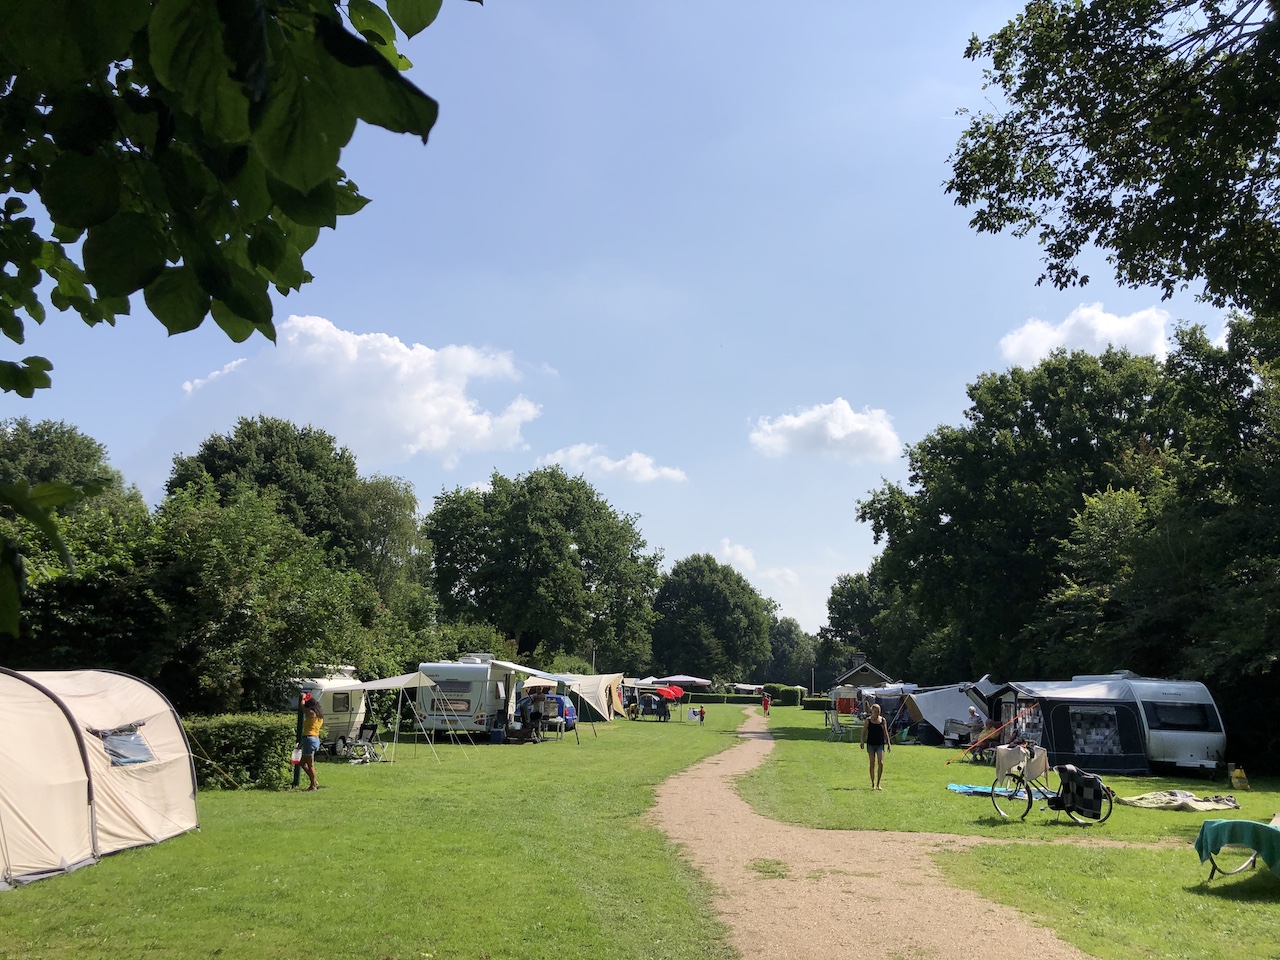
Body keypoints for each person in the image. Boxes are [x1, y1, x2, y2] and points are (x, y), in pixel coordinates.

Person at [859, 701, 890, 789]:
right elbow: (863, 732)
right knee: (872, 764)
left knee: (881, 763)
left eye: (878, 711)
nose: (877, 713)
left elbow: (886, 732)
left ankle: (878, 783)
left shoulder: (882, 720)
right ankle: (873, 783)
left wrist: (888, 743)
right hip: (871, 744)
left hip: (880, 744)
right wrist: (861, 741)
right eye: (875, 711)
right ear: (872, 711)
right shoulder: (868, 720)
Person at [300, 694, 324, 791]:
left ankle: (313, 785)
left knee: (310, 765)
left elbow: (302, 707)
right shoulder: (319, 716)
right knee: (302, 762)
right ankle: (314, 780)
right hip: (314, 739)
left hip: (309, 739)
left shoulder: (311, 713)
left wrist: (302, 698)